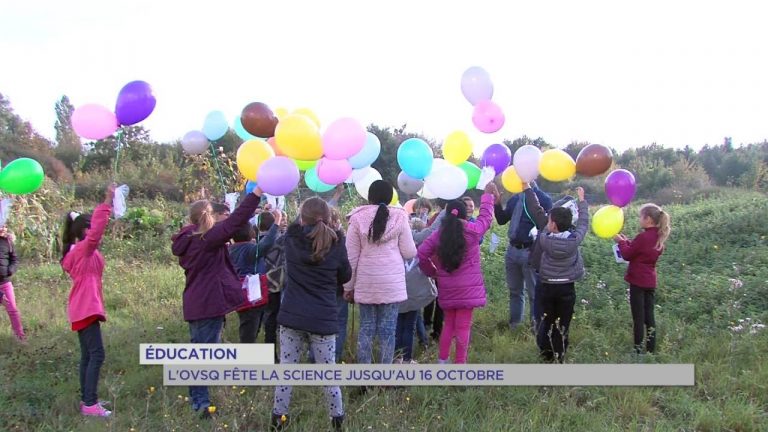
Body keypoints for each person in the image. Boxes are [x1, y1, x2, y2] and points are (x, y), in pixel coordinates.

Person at [172, 185, 264, 418]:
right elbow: (236, 221)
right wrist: (255, 194)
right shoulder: (207, 239)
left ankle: (196, 397)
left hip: (195, 303)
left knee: (198, 351)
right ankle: (201, 404)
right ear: (209, 217)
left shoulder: (188, 238)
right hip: (208, 304)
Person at [271, 197, 351, 431]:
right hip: (323, 319)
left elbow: (295, 226)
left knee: (287, 371)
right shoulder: (336, 245)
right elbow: (345, 276)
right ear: (327, 218)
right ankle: (337, 421)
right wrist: (340, 234)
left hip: (292, 315)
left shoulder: (292, 239)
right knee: (329, 374)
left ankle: (278, 420)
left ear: (301, 217)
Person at [417, 183, 496, 363]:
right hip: (468, 290)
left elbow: (422, 253)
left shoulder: (439, 234)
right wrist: (487, 197)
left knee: (449, 325)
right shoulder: (473, 231)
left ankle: (442, 362)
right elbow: (485, 218)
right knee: (463, 328)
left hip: (447, 287)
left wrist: (432, 271)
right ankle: (460, 365)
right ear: (464, 214)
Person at [344, 180, 416, 368]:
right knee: (388, 331)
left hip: (366, 282)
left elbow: (350, 258)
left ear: (369, 197)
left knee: (366, 329)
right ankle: (385, 377)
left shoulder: (356, 219)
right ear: (391, 197)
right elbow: (409, 252)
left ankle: (364, 378)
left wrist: (348, 287)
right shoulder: (400, 218)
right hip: (392, 284)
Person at [61, 183, 115, 417]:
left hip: (82, 307)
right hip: (86, 307)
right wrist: (107, 202)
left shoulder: (77, 251)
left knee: (88, 355)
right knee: (97, 354)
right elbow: (97, 233)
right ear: (85, 231)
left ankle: (87, 400)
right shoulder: (83, 249)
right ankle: (90, 405)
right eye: (91, 228)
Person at [527, 187, 589, 363]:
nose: (547, 222)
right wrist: (582, 201)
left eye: (549, 220)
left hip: (547, 286)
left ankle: (546, 355)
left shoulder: (545, 238)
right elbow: (583, 223)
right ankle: (560, 356)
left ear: (552, 225)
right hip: (566, 288)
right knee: (563, 325)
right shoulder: (574, 240)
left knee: (547, 321)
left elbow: (540, 219)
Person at [492, 181, 553, 331]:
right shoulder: (515, 198)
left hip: (530, 251)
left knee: (534, 293)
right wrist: (497, 203)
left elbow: (546, 226)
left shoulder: (544, 199)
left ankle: (536, 327)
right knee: (515, 291)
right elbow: (501, 220)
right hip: (512, 250)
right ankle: (515, 325)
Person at [614, 203, 671, 354]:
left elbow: (627, 254)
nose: (639, 219)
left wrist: (620, 242)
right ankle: (650, 350)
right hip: (650, 281)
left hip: (637, 281)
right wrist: (626, 242)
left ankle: (638, 349)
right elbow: (636, 251)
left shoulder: (643, 237)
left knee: (638, 318)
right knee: (649, 317)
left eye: (641, 216)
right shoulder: (657, 237)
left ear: (649, 219)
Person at [229, 210, 281, 343]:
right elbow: (266, 244)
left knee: (250, 326)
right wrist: (277, 222)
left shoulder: (232, 249)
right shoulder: (248, 249)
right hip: (251, 297)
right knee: (248, 333)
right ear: (250, 233)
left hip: (240, 294)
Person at [395, 216, 440, 363]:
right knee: (409, 327)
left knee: (397, 326)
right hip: (415, 294)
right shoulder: (420, 248)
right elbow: (428, 269)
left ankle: (396, 358)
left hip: (397, 292)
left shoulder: (394, 248)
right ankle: (407, 359)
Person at [0, 224, 24, 343]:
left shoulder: (8, 242)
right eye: (1, 226)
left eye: (5, 226)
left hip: (4, 282)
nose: (3, 229)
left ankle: (20, 337)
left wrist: (11, 269)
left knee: (13, 310)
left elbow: (14, 259)